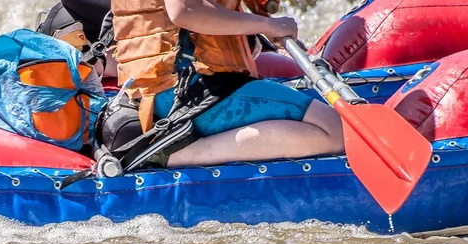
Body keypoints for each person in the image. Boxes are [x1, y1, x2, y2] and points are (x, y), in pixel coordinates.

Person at [110, 0, 344, 167]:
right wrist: (267, 26)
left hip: (174, 88)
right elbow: (185, 10)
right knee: (337, 131)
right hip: (187, 89)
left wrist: (261, 24)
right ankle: (175, 152)